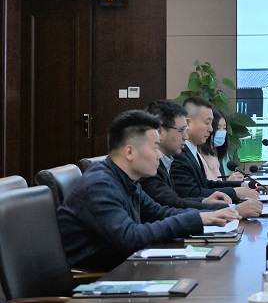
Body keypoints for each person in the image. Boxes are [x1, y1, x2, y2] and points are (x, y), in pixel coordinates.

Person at [57, 110, 238, 271]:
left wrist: (207, 215)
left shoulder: (127, 180)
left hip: (124, 267)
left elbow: (159, 212)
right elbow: (131, 237)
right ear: (129, 152)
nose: (159, 156)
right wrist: (194, 219)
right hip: (96, 279)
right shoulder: (99, 185)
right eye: (154, 148)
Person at [139, 100, 261, 218]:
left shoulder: (169, 160)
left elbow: (180, 199)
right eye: (182, 130)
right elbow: (173, 204)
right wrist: (233, 209)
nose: (185, 136)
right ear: (159, 132)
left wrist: (206, 201)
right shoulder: (148, 168)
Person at [170, 96, 257, 203]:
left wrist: (241, 185)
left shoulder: (192, 151)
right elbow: (191, 193)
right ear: (188, 123)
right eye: (207, 123)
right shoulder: (179, 154)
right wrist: (234, 192)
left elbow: (206, 184)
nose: (211, 129)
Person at [200, 109, 242, 182]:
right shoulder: (199, 155)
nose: (222, 132)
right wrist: (228, 183)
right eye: (218, 128)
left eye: (224, 128)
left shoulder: (218, 153)